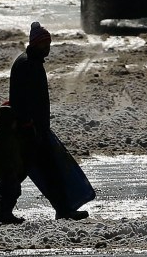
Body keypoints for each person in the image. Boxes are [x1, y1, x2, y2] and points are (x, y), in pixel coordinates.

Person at [10, 22, 89, 221]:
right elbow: (22, 99)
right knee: (40, 171)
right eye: (45, 44)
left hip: (35, 128)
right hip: (31, 130)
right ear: (36, 44)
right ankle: (62, 210)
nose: (48, 47)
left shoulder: (31, 62)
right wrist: (29, 124)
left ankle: (62, 208)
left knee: (33, 171)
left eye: (49, 43)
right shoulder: (28, 64)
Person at [0, 104, 25, 225]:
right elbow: (8, 156)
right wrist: (12, 169)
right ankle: (5, 214)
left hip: (6, 170)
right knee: (11, 191)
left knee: (3, 191)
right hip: (7, 170)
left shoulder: (4, 135)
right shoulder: (5, 138)